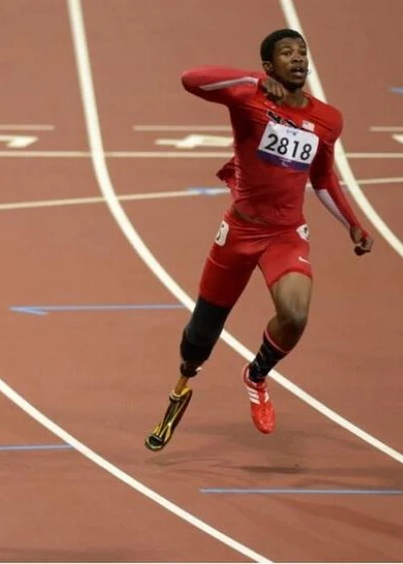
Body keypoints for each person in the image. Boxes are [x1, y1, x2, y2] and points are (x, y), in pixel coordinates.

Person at [145, 28, 373, 450]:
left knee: (295, 316)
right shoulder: (250, 99)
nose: (298, 59)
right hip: (238, 234)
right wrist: (250, 80)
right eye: (287, 53)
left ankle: (257, 375)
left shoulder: (328, 119)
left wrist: (352, 223)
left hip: (285, 235)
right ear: (271, 65)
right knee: (200, 334)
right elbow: (191, 78)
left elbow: (321, 176)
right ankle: (181, 387)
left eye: (302, 51)